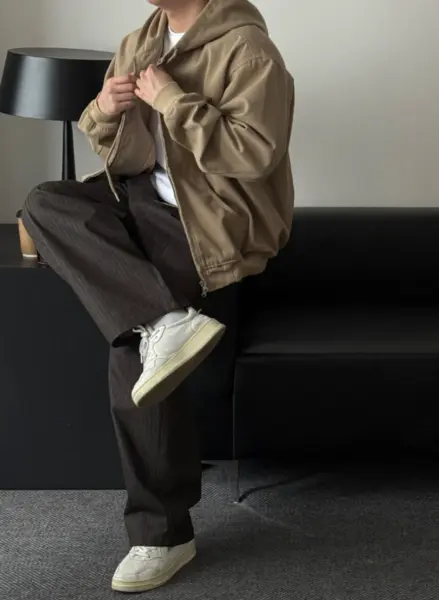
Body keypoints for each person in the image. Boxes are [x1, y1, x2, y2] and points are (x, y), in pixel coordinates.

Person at [22, 0, 294, 593]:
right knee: (44, 203)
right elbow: (117, 150)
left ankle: (163, 535)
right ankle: (163, 320)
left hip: (204, 222)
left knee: (133, 356)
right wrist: (103, 109)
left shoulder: (249, 50)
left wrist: (172, 100)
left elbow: (255, 154)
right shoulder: (139, 43)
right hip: (140, 197)